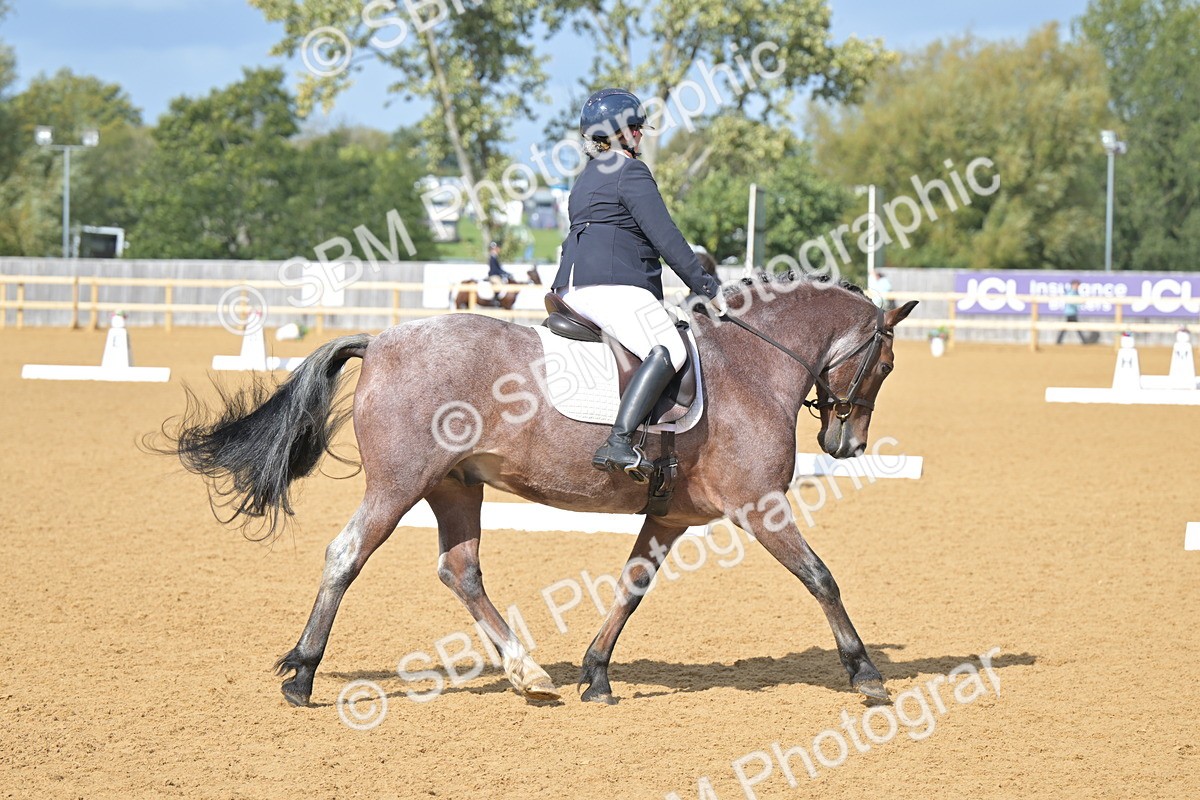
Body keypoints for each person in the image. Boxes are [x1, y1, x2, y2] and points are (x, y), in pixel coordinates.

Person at [552, 88, 726, 480]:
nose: (641, 135)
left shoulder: (585, 178)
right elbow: (666, 239)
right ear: (624, 132)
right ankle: (619, 441)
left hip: (571, 287)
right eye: (636, 128)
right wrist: (710, 289)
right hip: (611, 285)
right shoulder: (629, 171)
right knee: (668, 348)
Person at [1056, 279, 1088, 345]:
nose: (1078, 286)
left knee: (1067, 328)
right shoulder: (1071, 292)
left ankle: (1058, 341)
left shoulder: (1075, 292)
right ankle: (1084, 341)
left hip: (1072, 312)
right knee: (1076, 328)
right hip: (1070, 312)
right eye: (1077, 285)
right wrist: (1080, 302)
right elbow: (1072, 301)